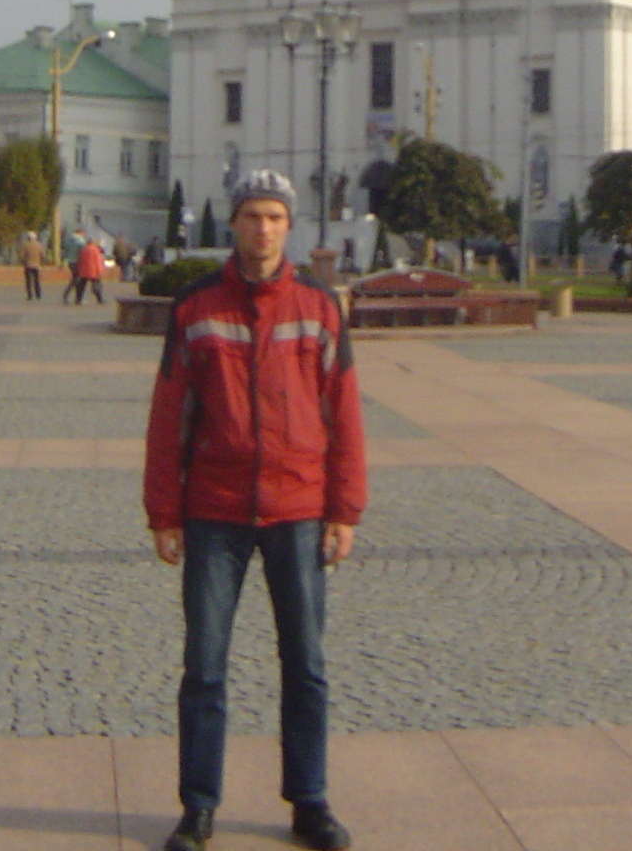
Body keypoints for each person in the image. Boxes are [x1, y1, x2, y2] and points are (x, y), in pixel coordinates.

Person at [144, 170, 365, 851]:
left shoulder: (320, 307)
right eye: (251, 216)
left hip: (298, 508)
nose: (262, 228)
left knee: (306, 664)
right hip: (214, 508)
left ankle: (309, 801)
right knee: (204, 665)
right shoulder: (196, 307)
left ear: (288, 226)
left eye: (274, 216)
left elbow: (344, 412)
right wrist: (164, 510)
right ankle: (199, 806)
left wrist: (345, 509)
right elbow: (168, 414)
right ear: (233, 223)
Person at [76, 237, 108, 304]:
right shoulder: (95, 250)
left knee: (81, 285)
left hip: (84, 270)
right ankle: (100, 299)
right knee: (96, 285)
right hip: (93, 270)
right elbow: (98, 261)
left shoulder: (83, 249)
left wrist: (79, 269)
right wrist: (100, 271)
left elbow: (80, 260)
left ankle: (78, 299)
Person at [19, 230, 44, 300]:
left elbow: (21, 255)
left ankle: (30, 295)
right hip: (37, 265)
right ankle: (38, 294)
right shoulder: (39, 245)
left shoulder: (26, 245)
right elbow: (43, 255)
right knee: (37, 280)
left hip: (28, 265)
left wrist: (24, 261)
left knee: (28, 281)